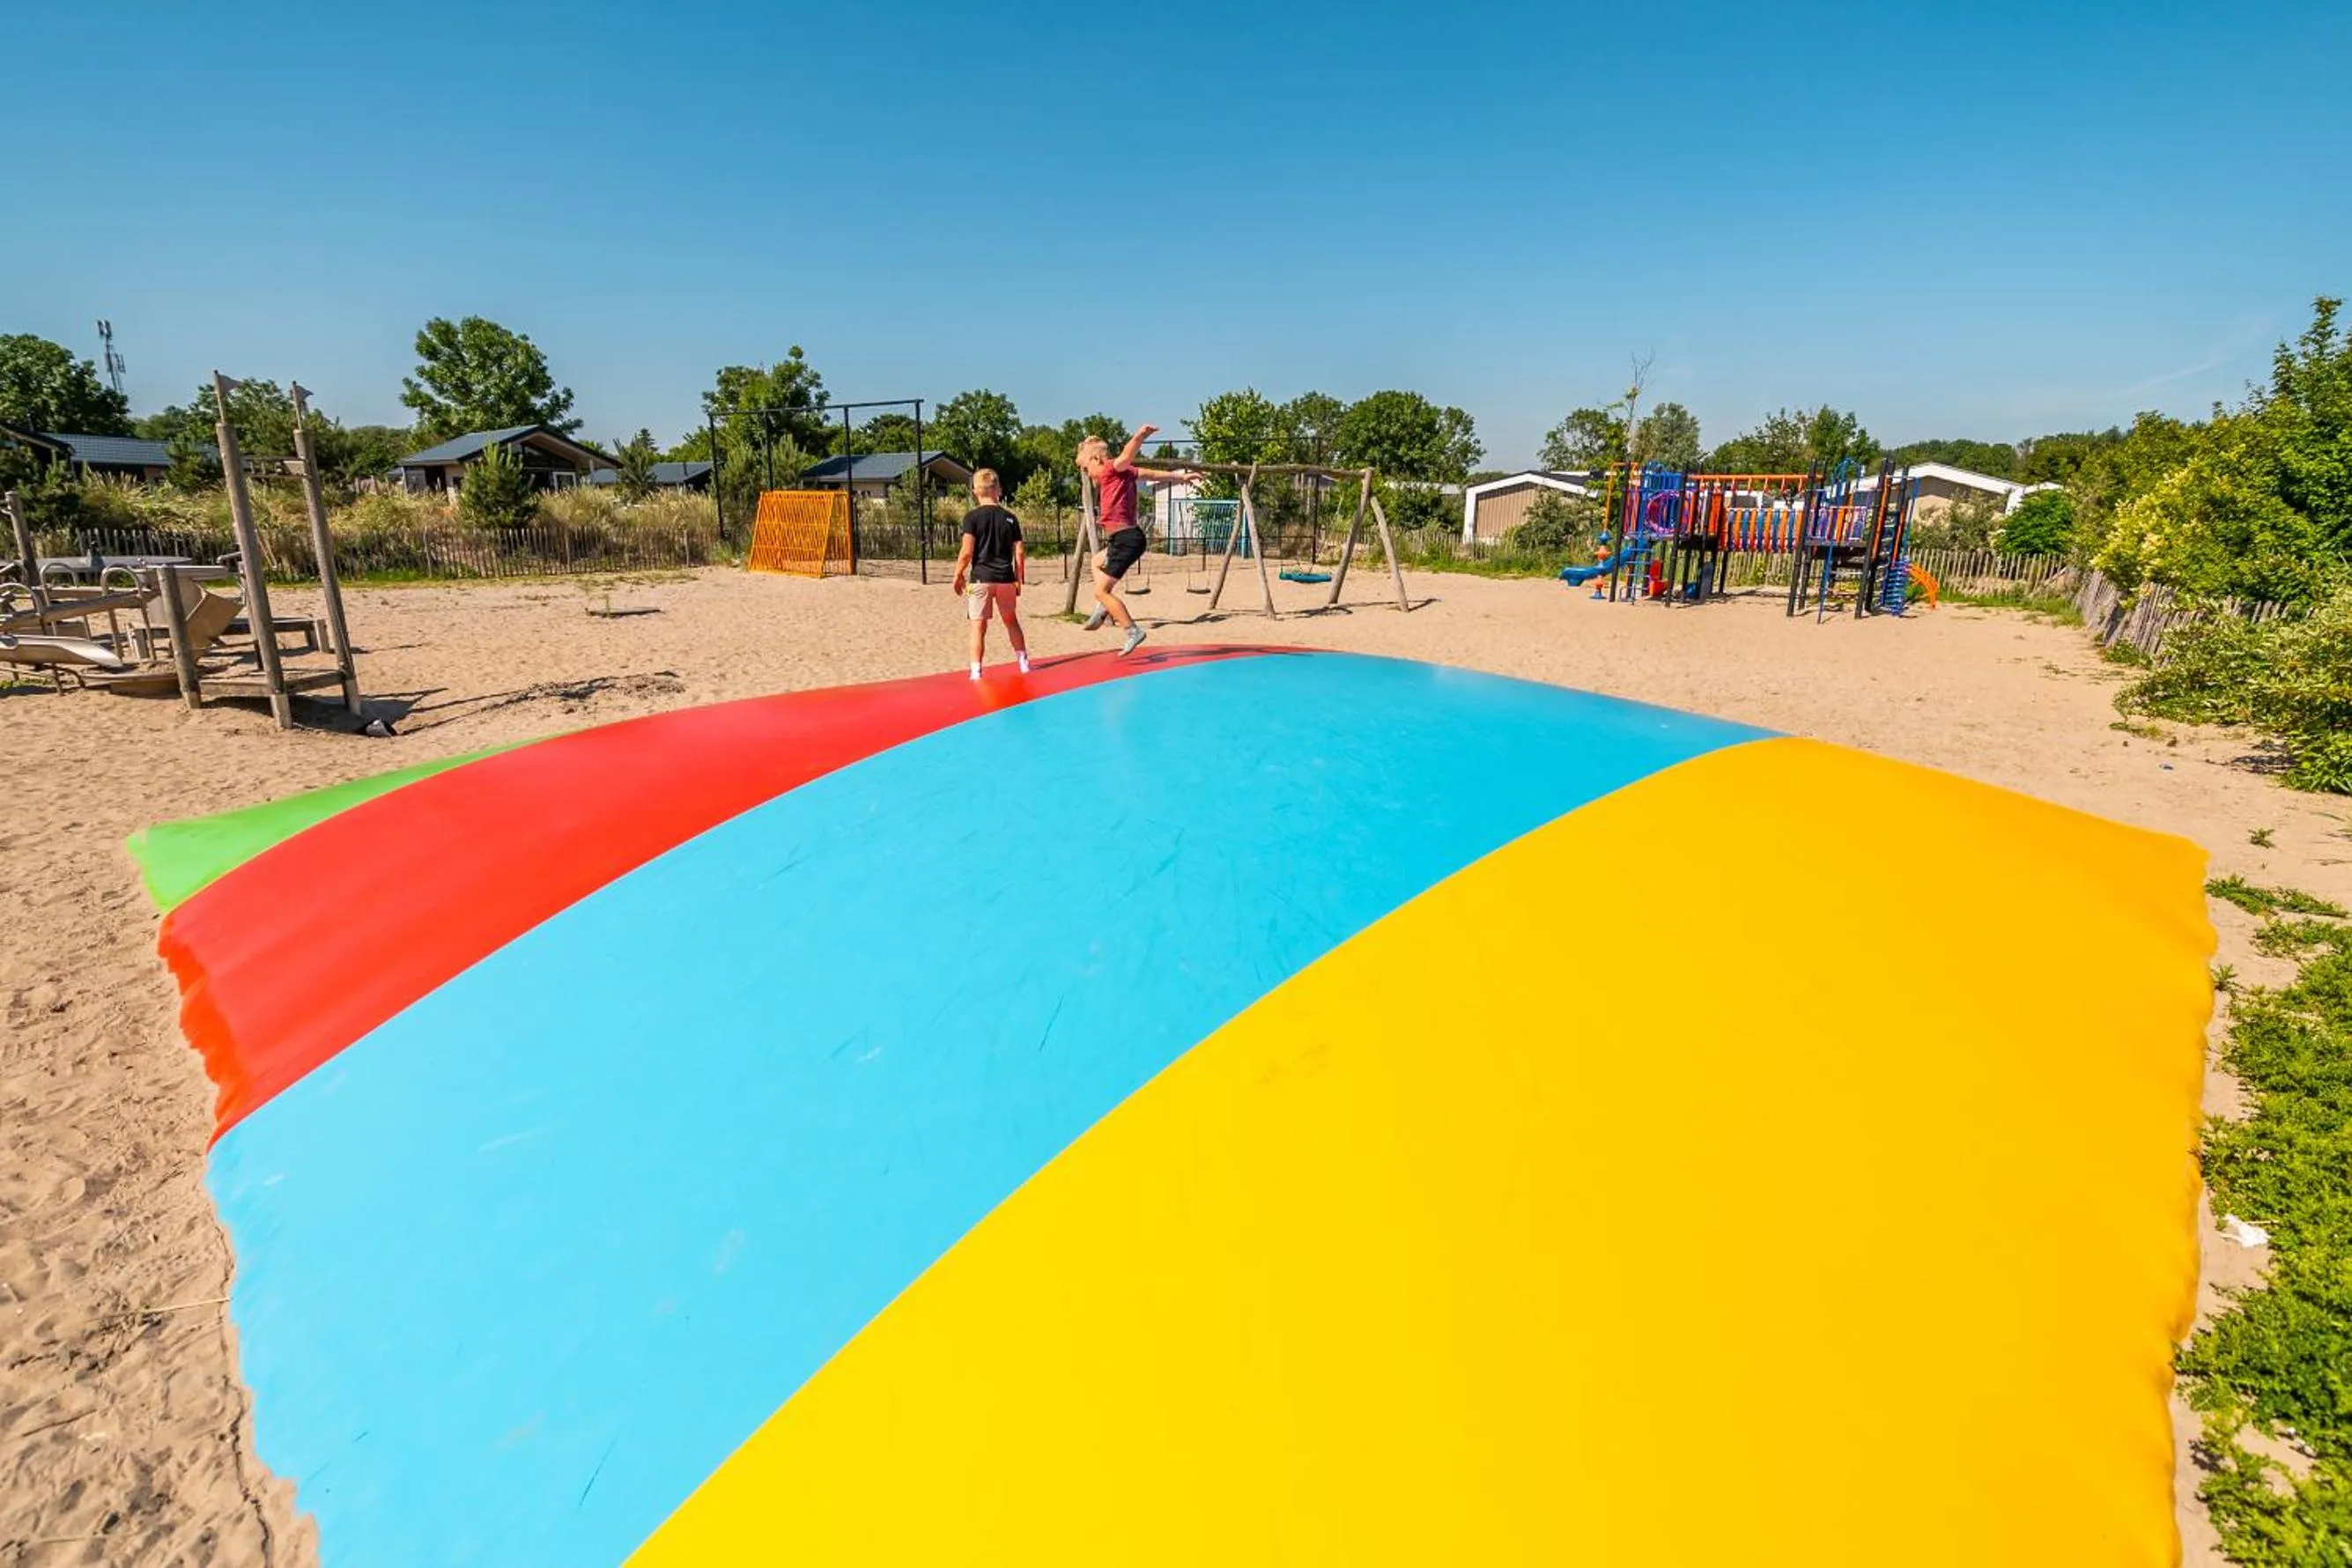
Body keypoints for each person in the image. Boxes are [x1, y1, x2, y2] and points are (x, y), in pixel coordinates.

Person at [1075, 425, 1205, 657]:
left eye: (1085, 468)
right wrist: (1181, 477)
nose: (1086, 473)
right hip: (1124, 539)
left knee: (1101, 591)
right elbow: (1153, 475)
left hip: (1126, 540)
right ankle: (1103, 606)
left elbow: (1127, 454)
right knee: (1095, 562)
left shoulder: (1113, 468)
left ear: (1096, 459)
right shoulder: (1125, 474)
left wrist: (1140, 436)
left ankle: (1132, 631)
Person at [950, 469, 1028, 678]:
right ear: (998, 490)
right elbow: (1019, 552)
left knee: (978, 625)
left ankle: (976, 671)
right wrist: (1018, 579)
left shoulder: (972, 517)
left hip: (980, 578)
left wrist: (958, 574)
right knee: (1011, 621)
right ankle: (1023, 663)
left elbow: (967, 552)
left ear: (975, 491)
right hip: (1005, 578)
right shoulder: (1010, 518)